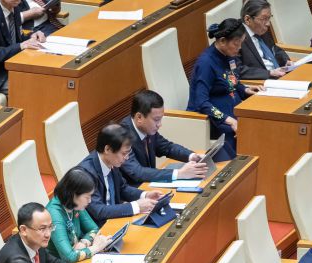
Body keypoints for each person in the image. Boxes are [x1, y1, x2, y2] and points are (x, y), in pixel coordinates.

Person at [188, 19, 263, 161]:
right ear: (222, 41)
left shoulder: (229, 56)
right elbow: (201, 103)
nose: (240, 47)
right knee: (244, 131)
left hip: (232, 105)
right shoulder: (206, 64)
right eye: (236, 43)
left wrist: (245, 89)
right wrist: (229, 120)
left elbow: (231, 80)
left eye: (241, 42)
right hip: (212, 118)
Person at [78, 124, 165, 225]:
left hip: (116, 221)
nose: (127, 158)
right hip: (99, 229)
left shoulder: (111, 161)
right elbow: (99, 211)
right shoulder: (86, 173)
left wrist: (145, 195)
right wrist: (136, 206)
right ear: (107, 149)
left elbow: (122, 188)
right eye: (124, 153)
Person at [119, 90, 206, 186]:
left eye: (161, 119)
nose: (160, 125)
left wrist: (192, 156)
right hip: (133, 193)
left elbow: (167, 147)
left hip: (150, 187)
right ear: (139, 117)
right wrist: (180, 173)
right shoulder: (122, 136)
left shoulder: (147, 129)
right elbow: (137, 172)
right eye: (156, 120)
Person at [46, 168, 112, 263]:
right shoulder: (54, 214)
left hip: (77, 261)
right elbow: (69, 257)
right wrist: (96, 247)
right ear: (73, 194)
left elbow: (94, 229)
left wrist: (83, 243)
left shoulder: (73, 203)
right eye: (87, 197)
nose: (89, 201)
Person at [239, 0, 292, 80]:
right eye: (264, 18)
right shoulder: (237, 37)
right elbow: (239, 70)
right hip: (264, 82)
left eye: (269, 18)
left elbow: (274, 48)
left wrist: (286, 61)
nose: (268, 23)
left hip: (281, 74)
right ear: (247, 19)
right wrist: (269, 73)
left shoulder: (260, 29)